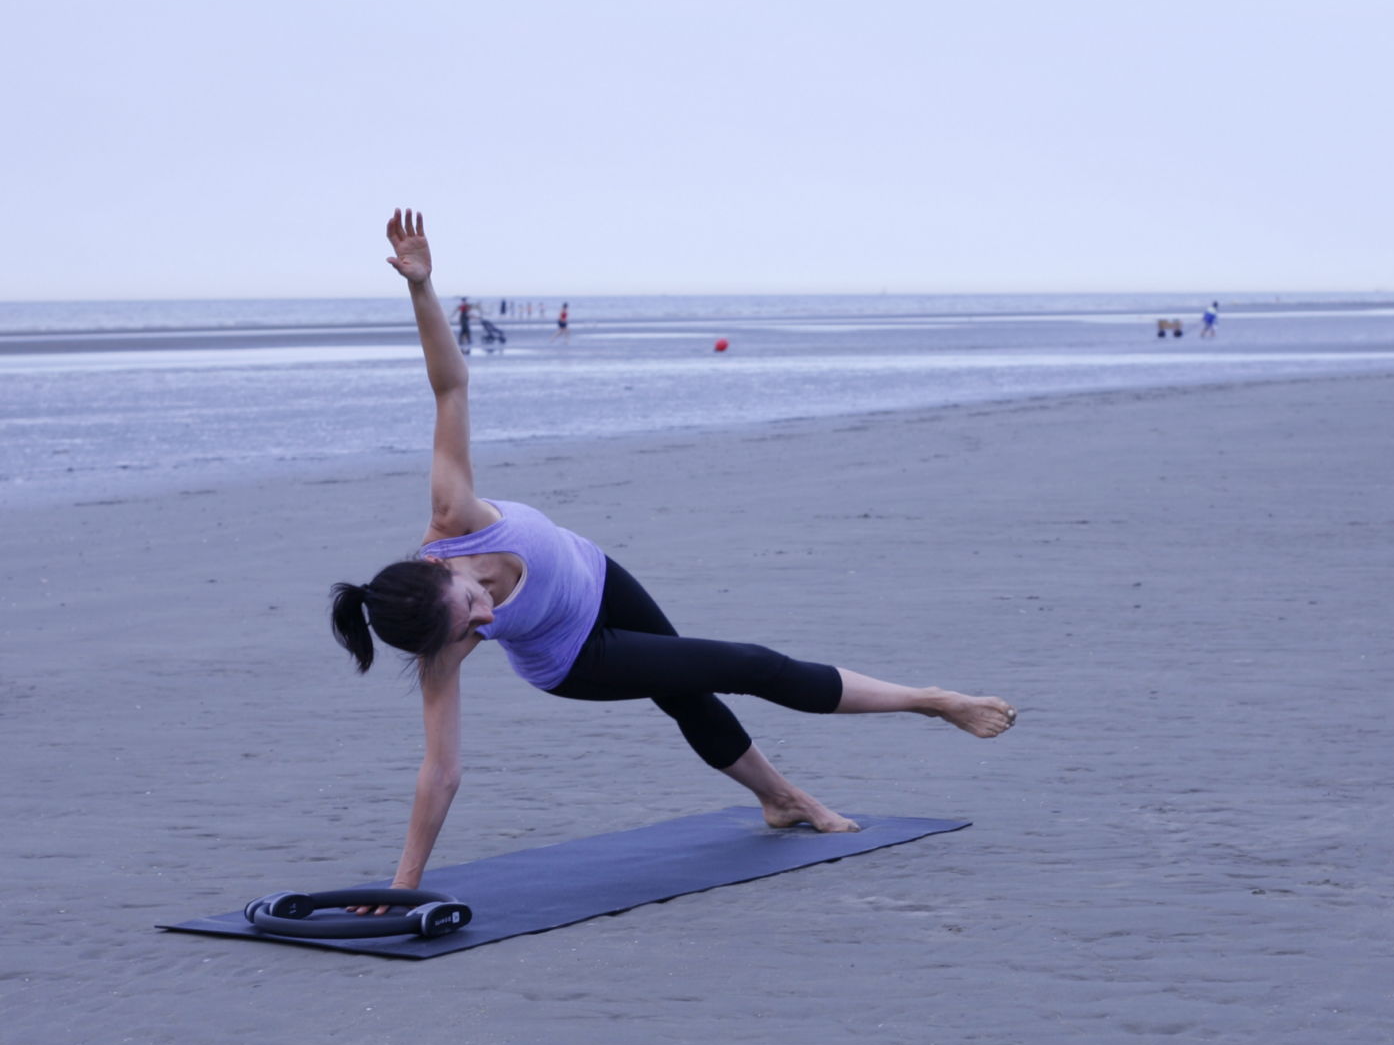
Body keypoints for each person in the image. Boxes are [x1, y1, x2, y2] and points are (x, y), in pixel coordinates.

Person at [330, 211, 1017, 904]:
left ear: (437, 565)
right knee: (748, 665)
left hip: (599, 577)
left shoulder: (454, 514)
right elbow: (441, 771)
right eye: (471, 630)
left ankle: (780, 801)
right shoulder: (442, 648)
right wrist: (404, 885)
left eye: (473, 606)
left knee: (690, 691)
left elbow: (450, 387)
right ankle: (931, 702)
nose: (483, 623)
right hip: (576, 659)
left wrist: (421, 287)